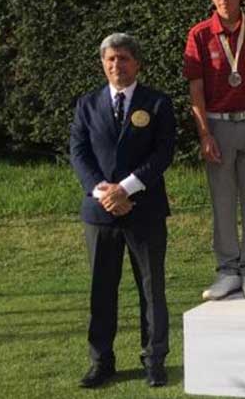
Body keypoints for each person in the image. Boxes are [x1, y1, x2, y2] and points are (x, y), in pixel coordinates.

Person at [69, 33, 176, 388]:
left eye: (124, 58)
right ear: (103, 64)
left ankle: (154, 359)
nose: (117, 65)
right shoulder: (87, 104)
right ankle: (101, 362)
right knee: (102, 289)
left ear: (138, 63)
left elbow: (163, 153)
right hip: (100, 213)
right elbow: (79, 152)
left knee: (151, 287)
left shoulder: (157, 102)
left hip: (144, 208)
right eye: (111, 59)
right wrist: (104, 192)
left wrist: (126, 189)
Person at [184, 0, 245, 301]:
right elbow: (196, 89)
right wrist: (204, 133)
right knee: (222, 202)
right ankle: (226, 270)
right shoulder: (200, 34)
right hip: (218, 125)